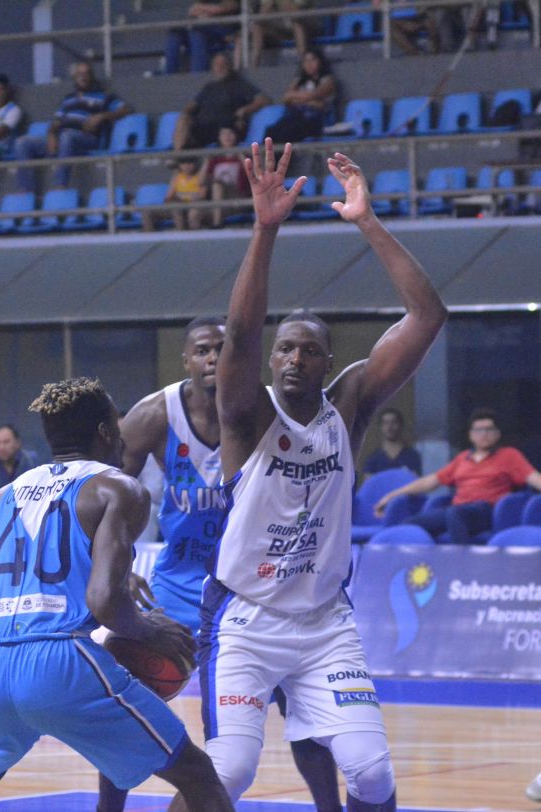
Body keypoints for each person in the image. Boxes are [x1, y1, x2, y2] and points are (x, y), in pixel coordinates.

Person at [201, 138, 447, 810]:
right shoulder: (247, 413)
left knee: (372, 774)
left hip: (324, 623)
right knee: (228, 773)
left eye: (309, 350)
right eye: (285, 347)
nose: (294, 358)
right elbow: (240, 333)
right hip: (245, 620)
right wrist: (264, 229)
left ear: (327, 362)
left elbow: (428, 316)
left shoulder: (351, 404)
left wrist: (366, 220)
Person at [0, 377, 234, 812]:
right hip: (56, 662)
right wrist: (150, 631)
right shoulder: (117, 488)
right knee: (197, 773)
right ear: (104, 432)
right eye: (117, 428)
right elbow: (104, 602)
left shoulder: (2, 497)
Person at [111, 317, 341, 812]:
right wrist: (117, 564)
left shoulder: (270, 410)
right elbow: (104, 489)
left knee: (302, 708)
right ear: (185, 360)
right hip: (178, 586)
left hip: (255, 587)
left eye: (222, 348)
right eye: (202, 350)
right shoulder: (155, 414)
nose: (214, 357)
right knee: (128, 696)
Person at [374, 408, 541, 544]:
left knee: (455, 515)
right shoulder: (462, 458)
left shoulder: (509, 455)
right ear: (471, 435)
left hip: (487, 510)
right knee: (410, 525)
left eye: (489, 430)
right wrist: (392, 495)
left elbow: (534, 478)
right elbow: (430, 481)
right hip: (457, 510)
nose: (484, 434)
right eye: (479, 430)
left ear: (497, 434)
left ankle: (463, 566)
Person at [14, 61, 132, 193]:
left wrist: (102, 116)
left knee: (67, 137)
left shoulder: (104, 96)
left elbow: (125, 109)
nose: (83, 77)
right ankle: (25, 191)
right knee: (22, 142)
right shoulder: (68, 99)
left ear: (92, 77)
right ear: (75, 77)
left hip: (87, 138)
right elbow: (56, 122)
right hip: (62, 139)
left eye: (87, 74)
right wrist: (51, 134)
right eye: (80, 74)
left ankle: (60, 186)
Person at [173, 53, 270, 151]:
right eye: (217, 65)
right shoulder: (209, 87)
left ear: (230, 66)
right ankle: (177, 155)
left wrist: (245, 110)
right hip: (203, 127)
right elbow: (193, 104)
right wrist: (187, 110)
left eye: (223, 64)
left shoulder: (240, 85)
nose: (220, 67)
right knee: (183, 119)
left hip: (226, 126)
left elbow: (264, 100)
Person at [265, 49, 337, 144]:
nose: (309, 64)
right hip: (295, 116)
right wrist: (310, 102)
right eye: (306, 61)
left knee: (289, 132)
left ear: (320, 61)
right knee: (271, 132)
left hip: (317, 120)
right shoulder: (298, 81)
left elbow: (314, 95)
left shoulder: (328, 81)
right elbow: (287, 97)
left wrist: (296, 98)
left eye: (312, 60)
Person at [165, 1, 241, 74]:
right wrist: (206, 11)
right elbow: (192, 10)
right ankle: (169, 75)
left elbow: (228, 7)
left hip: (225, 28)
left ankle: (198, 76)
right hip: (205, 25)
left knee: (197, 31)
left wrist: (203, 10)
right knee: (175, 32)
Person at [235, 0, 309, 69]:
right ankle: (253, 68)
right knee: (255, 29)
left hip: (293, 24)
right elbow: (263, 15)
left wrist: (282, 3)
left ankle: (303, 64)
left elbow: (297, 12)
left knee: (298, 26)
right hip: (273, 27)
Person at [145, 157, 207, 231]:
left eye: (190, 163)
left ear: (195, 164)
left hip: (192, 208)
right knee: (147, 212)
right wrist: (172, 200)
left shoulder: (201, 177)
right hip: (177, 206)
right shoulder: (177, 177)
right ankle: (148, 235)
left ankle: (181, 234)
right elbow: (168, 197)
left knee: (178, 210)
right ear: (180, 165)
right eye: (184, 163)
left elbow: (201, 196)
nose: (187, 166)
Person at [203, 126, 248, 228]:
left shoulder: (244, 154)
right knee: (194, 213)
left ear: (236, 136)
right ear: (219, 137)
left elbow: (254, 176)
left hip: (237, 197)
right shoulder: (215, 159)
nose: (227, 136)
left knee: (217, 185)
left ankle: (217, 223)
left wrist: (242, 157)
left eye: (230, 133)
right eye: (223, 134)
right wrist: (206, 161)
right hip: (216, 200)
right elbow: (201, 182)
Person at [361, 407, 422, 477]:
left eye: (394, 422)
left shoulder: (412, 456)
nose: (390, 427)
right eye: (386, 423)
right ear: (381, 427)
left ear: (400, 425)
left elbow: (417, 480)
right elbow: (369, 482)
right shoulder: (373, 459)